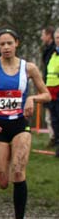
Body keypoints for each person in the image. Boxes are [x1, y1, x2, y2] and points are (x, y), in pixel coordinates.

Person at [0, 29, 51, 219]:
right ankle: (7, 163)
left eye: (10, 43)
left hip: (19, 124)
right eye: (2, 44)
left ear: (17, 43)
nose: (6, 47)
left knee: (18, 171)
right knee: (2, 181)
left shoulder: (29, 68)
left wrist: (31, 98)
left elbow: (47, 95)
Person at [41, 27, 56, 146]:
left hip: (55, 88)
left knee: (52, 116)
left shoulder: (53, 52)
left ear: (48, 35)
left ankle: (54, 138)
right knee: (50, 116)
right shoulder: (52, 52)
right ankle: (54, 138)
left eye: (43, 35)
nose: (41, 38)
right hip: (49, 86)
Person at [46, 29, 59, 157]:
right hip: (51, 92)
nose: (57, 40)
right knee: (54, 120)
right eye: (56, 37)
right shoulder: (53, 54)